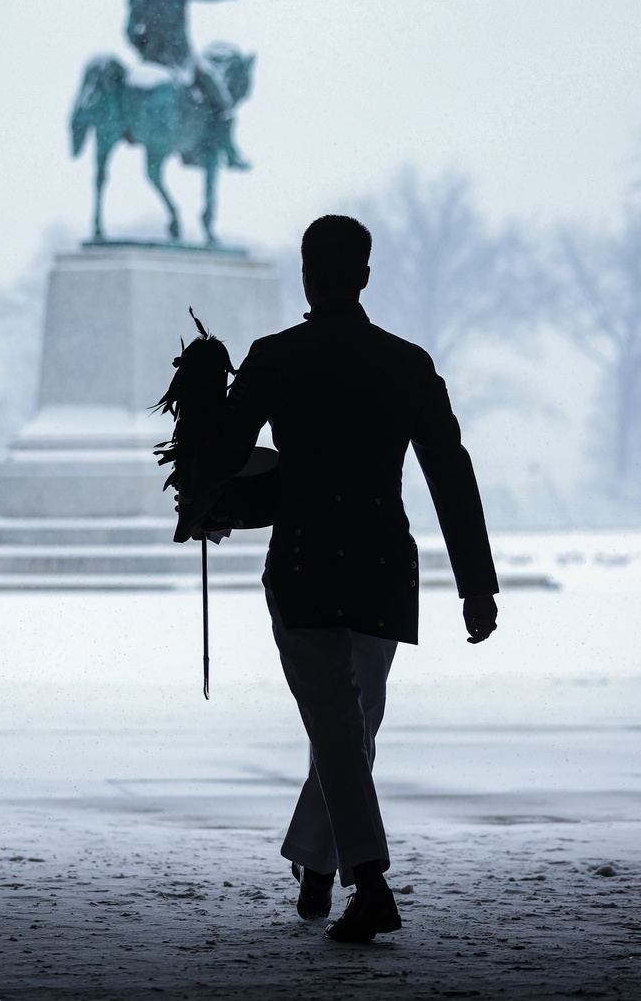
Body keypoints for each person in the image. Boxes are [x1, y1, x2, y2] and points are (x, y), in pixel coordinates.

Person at [190, 214, 499, 943]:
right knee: (349, 730)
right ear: (364, 275)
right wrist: (476, 583)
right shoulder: (408, 363)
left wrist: (205, 498)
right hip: (382, 567)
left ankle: (370, 881)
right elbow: (450, 472)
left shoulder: (274, 358)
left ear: (307, 273)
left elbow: (224, 453)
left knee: (337, 726)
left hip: (303, 566)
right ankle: (318, 863)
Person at [125, 0, 250, 168]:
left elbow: (129, 32)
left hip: (152, 64)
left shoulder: (140, 1)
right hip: (183, 61)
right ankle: (229, 152)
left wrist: (145, 47)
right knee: (224, 102)